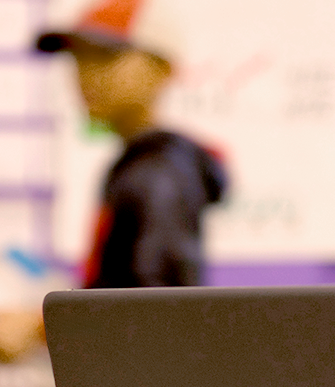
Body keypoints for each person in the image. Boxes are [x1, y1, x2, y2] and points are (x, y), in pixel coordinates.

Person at [35, 0, 226, 288]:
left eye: (105, 55)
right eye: (78, 57)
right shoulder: (144, 163)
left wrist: (45, 325)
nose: (86, 73)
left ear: (162, 68)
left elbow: (151, 310)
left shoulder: (157, 172)